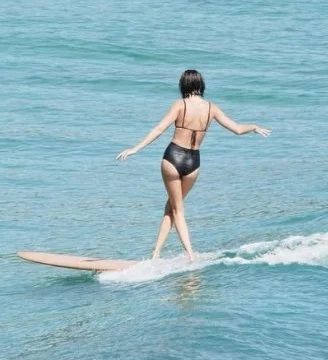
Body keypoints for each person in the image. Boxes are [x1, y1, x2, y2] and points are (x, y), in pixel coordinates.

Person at [115, 70, 271, 261]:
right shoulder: (211, 108)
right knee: (171, 207)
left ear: (183, 85)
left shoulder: (180, 105)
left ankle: (190, 255)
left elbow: (159, 129)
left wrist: (135, 148)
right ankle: (155, 253)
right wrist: (253, 126)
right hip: (193, 162)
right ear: (200, 85)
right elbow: (237, 129)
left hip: (173, 157)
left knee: (177, 209)